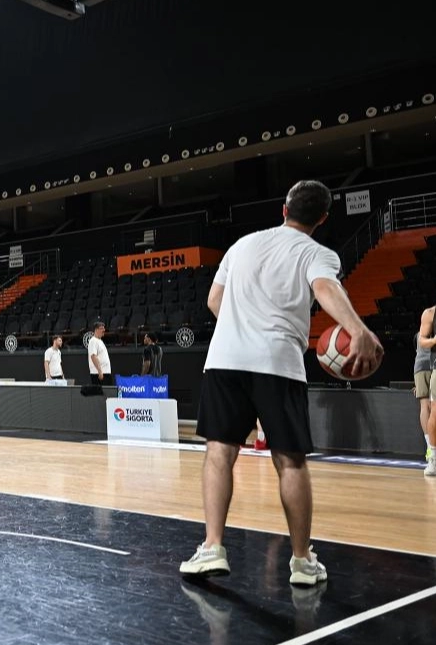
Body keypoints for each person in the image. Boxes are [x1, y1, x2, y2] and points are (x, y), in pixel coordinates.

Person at [179, 180, 383, 586]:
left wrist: (243, 325)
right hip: (278, 363)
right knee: (290, 461)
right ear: (322, 218)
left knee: (219, 452)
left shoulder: (241, 245)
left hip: (225, 360)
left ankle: (212, 547)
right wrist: (357, 329)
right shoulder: (317, 252)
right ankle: (302, 561)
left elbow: (214, 301)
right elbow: (325, 287)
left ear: (284, 209)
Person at [413, 306, 435, 470]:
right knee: (429, 407)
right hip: (428, 365)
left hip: (422, 367)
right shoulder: (425, 332)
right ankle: (431, 447)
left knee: (426, 406)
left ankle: (430, 446)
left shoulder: (421, 332)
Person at [86, 322, 111, 386]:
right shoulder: (93, 341)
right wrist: (100, 371)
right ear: (96, 330)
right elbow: (93, 356)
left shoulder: (100, 341)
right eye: (101, 328)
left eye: (104, 328)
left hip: (105, 372)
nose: (104, 330)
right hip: (98, 374)